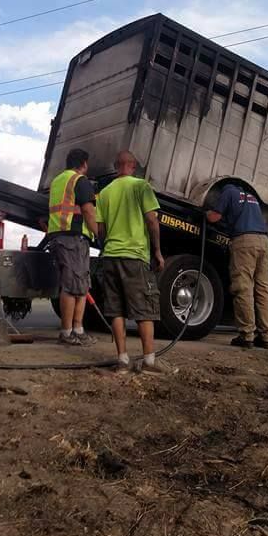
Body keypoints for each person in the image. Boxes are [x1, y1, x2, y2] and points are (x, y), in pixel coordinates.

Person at [96, 150, 170, 374]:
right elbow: (152, 220)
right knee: (144, 308)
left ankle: (122, 361)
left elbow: (100, 229)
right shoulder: (141, 186)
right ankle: (149, 362)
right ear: (133, 166)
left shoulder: (105, 192)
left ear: (116, 166)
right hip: (134, 256)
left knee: (116, 309)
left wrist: (107, 245)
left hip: (110, 256)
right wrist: (157, 251)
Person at [206, 182, 268, 349]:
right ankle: (266, 336)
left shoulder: (228, 192)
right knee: (264, 289)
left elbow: (214, 217)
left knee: (243, 287)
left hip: (245, 241)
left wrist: (206, 212)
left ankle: (246, 335)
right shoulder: (251, 197)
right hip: (264, 242)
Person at [47, 148, 99, 346]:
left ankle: (78, 329)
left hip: (60, 236)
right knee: (72, 286)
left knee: (80, 285)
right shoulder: (79, 180)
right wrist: (98, 234)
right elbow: (88, 210)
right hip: (72, 237)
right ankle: (68, 332)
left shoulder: (57, 180)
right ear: (84, 164)